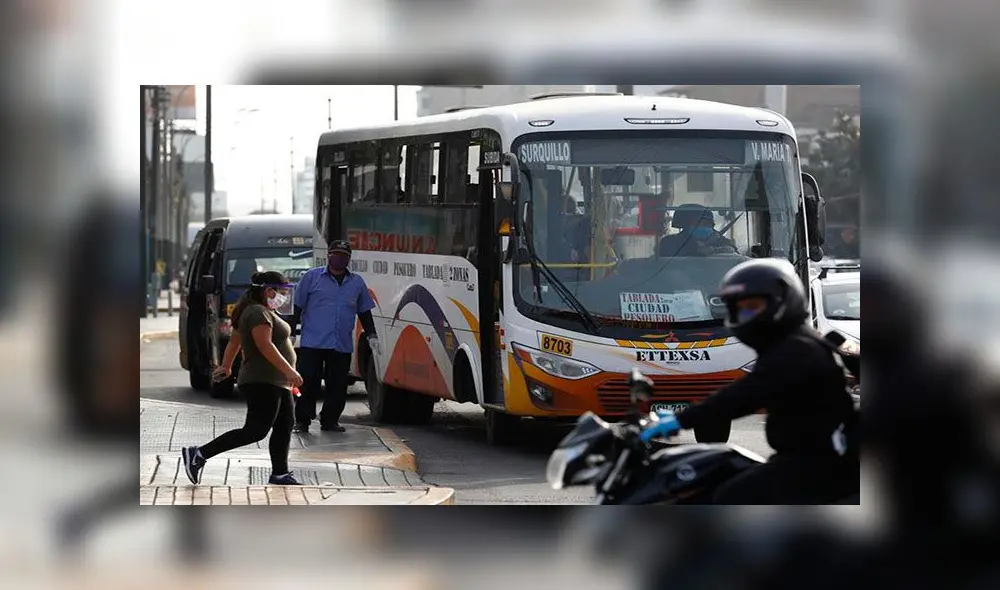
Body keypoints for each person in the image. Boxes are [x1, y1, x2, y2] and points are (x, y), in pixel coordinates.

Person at [645, 259, 859, 504]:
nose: (745, 315)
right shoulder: (797, 342)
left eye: (753, 306)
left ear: (783, 301)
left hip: (818, 463)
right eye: (739, 309)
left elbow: (743, 396)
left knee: (729, 497)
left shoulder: (796, 350)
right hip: (813, 458)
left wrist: (681, 420)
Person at [181, 271, 304, 486]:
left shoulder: (256, 310)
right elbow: (265, 346)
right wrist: (289, 371)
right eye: (282, 292)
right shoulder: (258, 313)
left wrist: (227, 366)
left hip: (275, 381)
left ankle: (280, 473)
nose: (284, 297)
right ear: (268, 291)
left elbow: (234, 342)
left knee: (285, 425)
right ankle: (199, 454)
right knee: (255, 430)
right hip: (263, 380)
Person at [290, 239, 379, 432]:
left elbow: (364, 311)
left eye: (343, 256)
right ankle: (302, 420)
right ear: (328, 256)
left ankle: (330, 420)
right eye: (335, 255)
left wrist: (372, 334)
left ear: (349, 259)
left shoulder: (356, 282)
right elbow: (297, 305)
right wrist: (290, 332)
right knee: (308, 382)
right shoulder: (311, 278)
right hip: (313, 342)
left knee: (337, 385)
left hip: (341, 343)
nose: (339, 259)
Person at [658, 204, 737, 257]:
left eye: (707, 223)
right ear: (686, 226)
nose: (703, 226)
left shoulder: (718, 239)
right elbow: (666, 251)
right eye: (698, 223)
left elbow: (735, 252)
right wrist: (696, 250)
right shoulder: (670, 242)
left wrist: (719, 250)